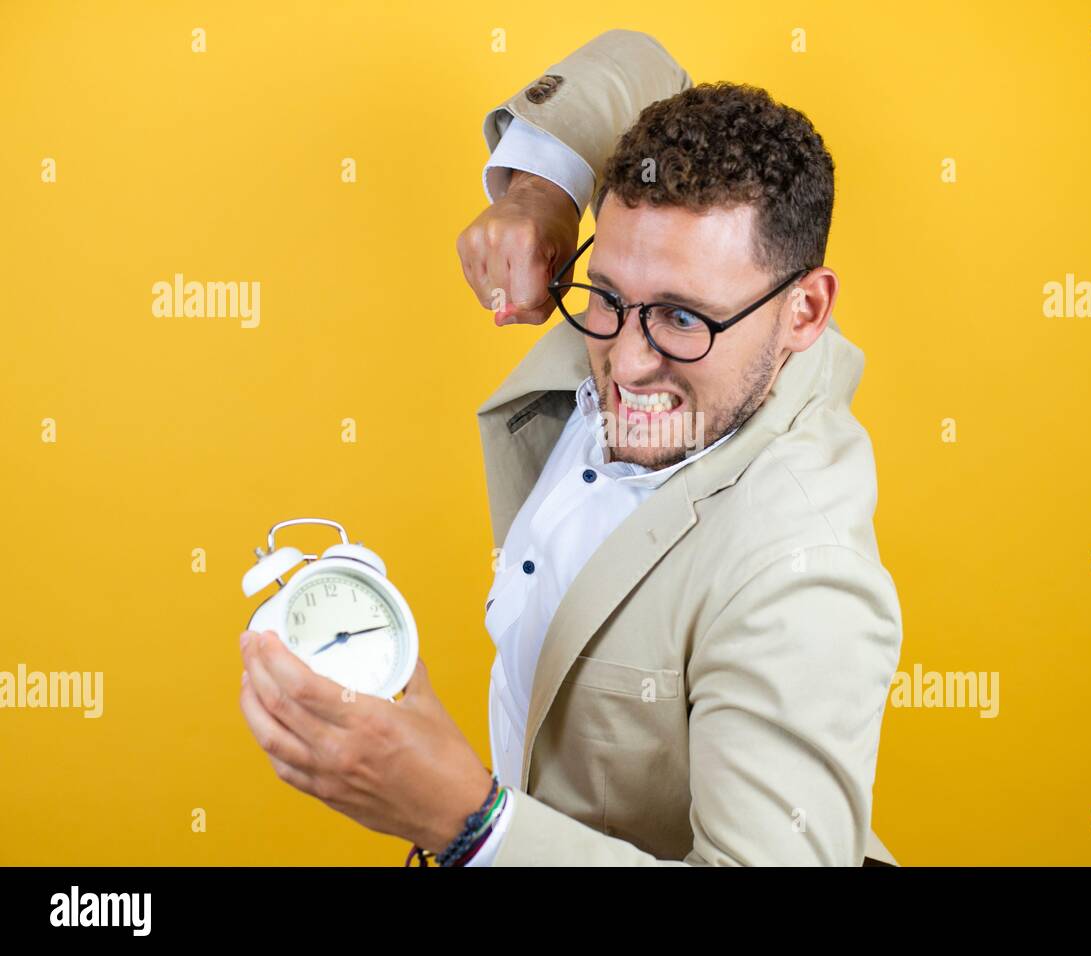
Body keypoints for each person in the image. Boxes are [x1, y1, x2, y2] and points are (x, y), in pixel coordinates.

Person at [239, 29, 903, 866]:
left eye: (681, 317)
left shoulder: (802, 575)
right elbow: (637, 61)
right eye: (607, 295)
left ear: (805, 313)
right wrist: (542, 194)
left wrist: (469, 823)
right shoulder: (732, 288)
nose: (624, 362)